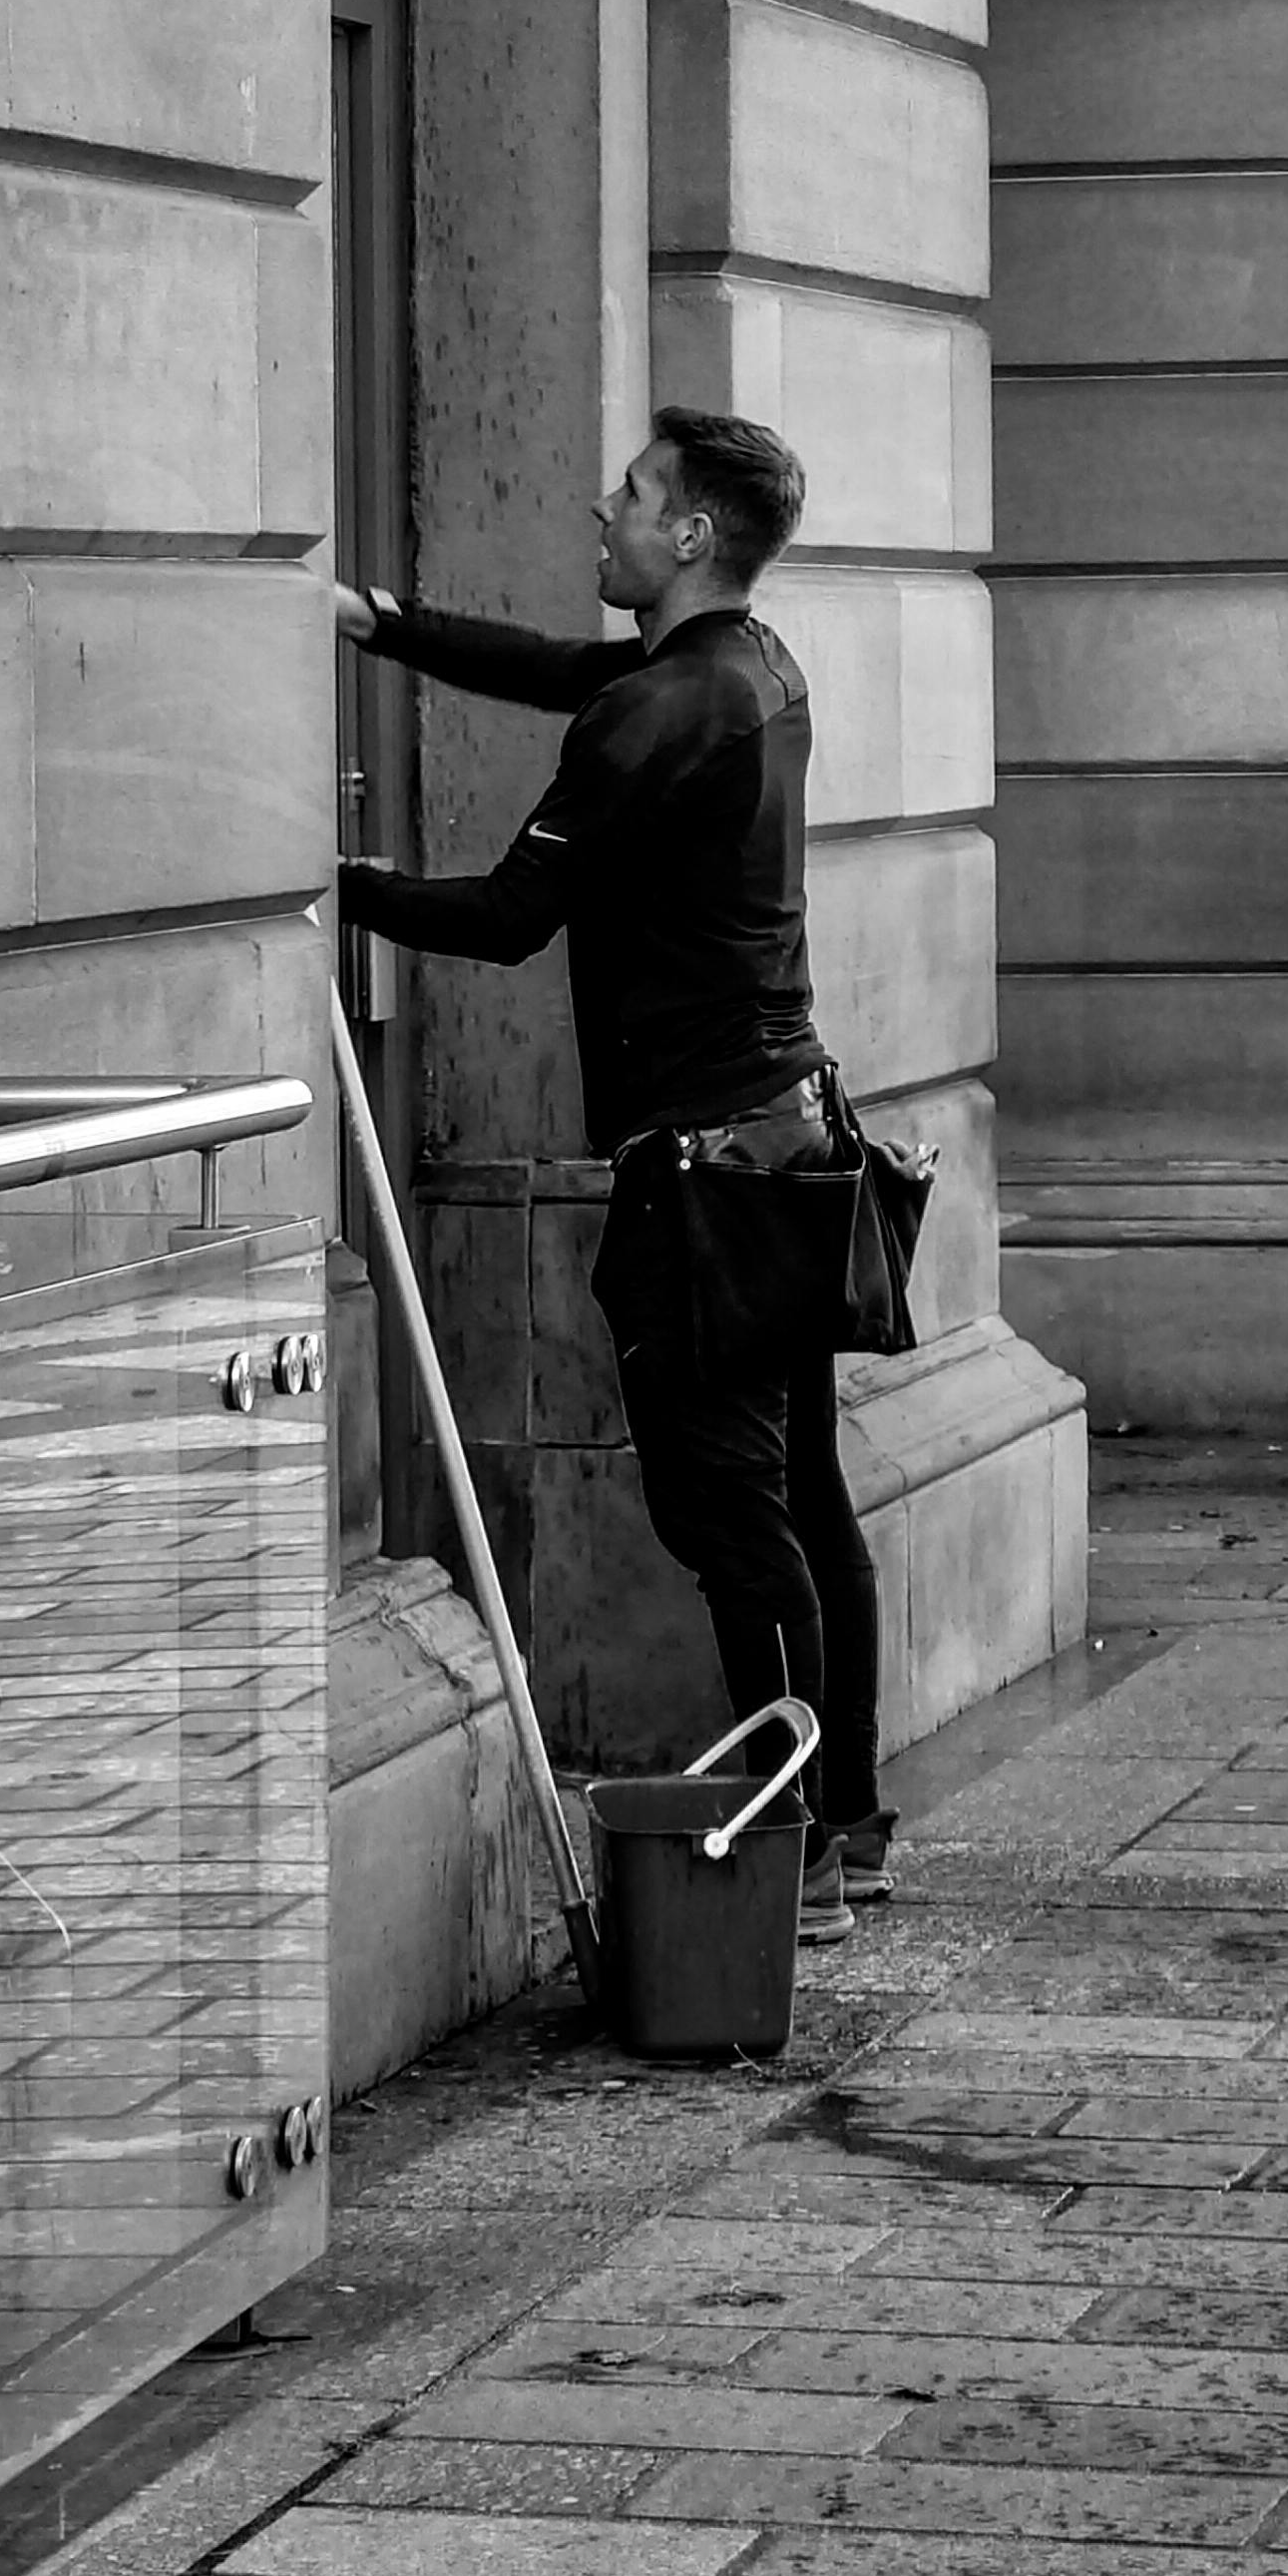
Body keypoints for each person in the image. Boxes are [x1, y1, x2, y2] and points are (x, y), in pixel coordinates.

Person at [335, 408, 894, 1944]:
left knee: (734, 1525)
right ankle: (847, 1825)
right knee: (810, 1507)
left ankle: (796, 1859)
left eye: (636, 494)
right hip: (791, 1148)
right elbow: (557, 668)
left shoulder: (658, 713)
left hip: (706, 1185)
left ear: (692, 535)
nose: (606, 505)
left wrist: (320, 888)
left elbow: (516, 912)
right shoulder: (747, 669)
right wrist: (378, 623)